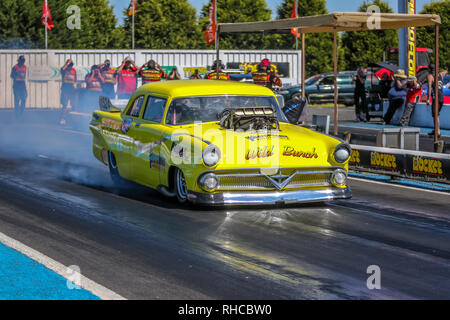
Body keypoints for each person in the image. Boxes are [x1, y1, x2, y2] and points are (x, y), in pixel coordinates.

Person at [426, 64, 447, 138]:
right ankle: (436, 130)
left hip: (436, 98)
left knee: (435, 115)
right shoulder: (440, 75)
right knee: (436, 115)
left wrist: (428, 99)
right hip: (441, 98)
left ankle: (437, 131)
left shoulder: (430, 76)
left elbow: (429, 88)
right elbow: (445, 71)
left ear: (429, 69)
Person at [59, 59, 77, 124]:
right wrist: (67, 63)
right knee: (65, 104)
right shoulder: (65, 70)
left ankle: (72, 119)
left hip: (71, 88)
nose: (70, 66)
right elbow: (62, 69)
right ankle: (63, 118)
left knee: (74, 104)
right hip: (65, 88)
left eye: (71, 65)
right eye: (69, 65)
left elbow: (75, 79)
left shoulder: (74, 70)